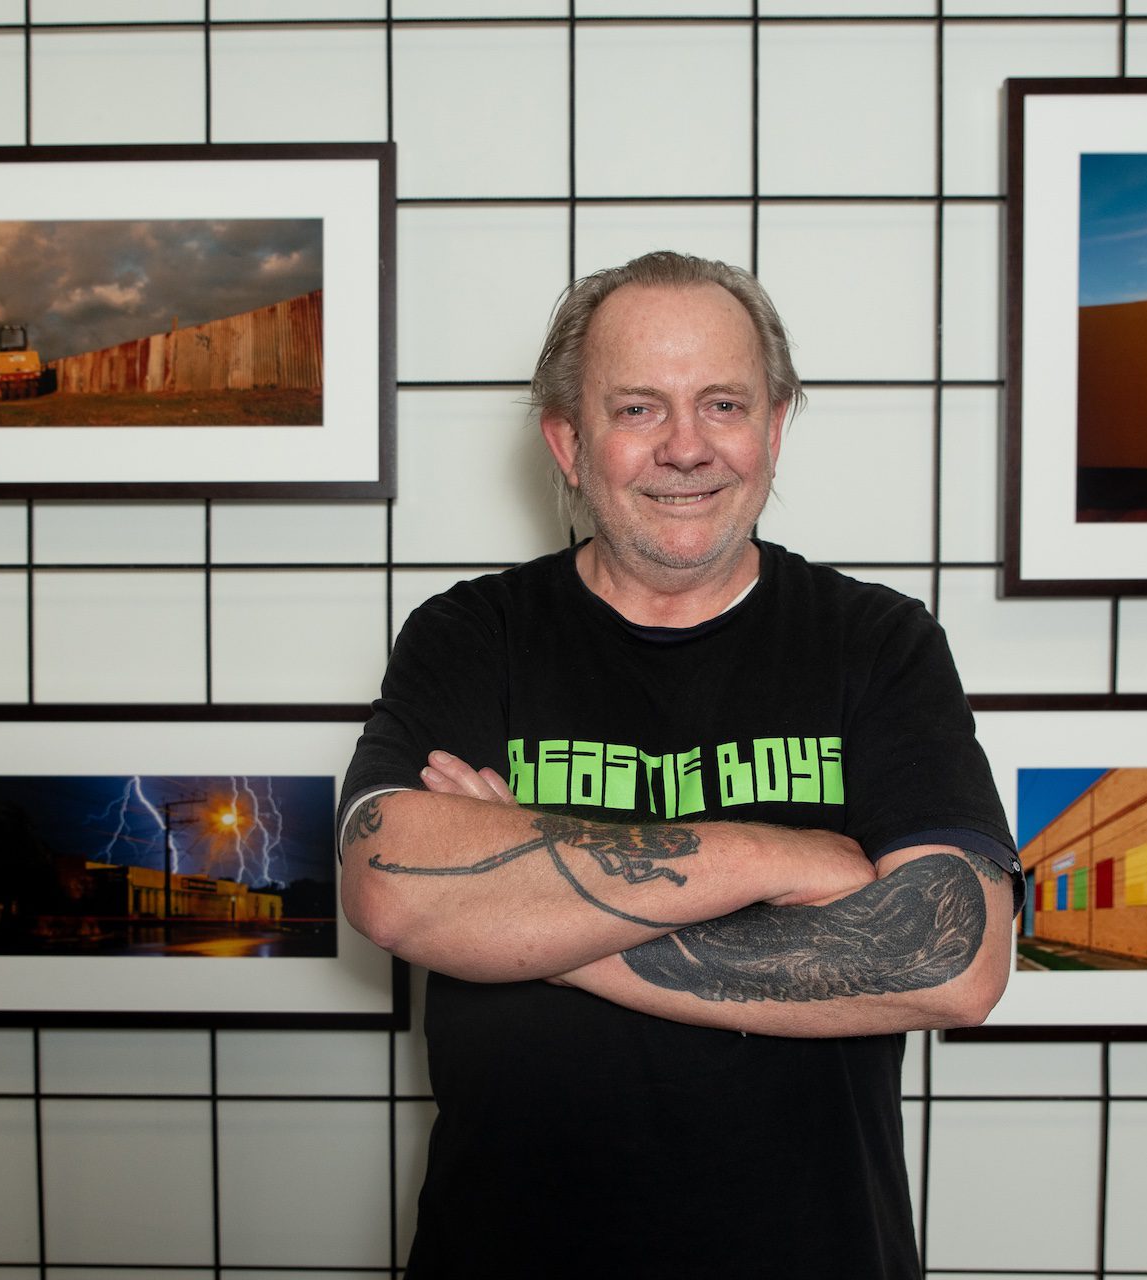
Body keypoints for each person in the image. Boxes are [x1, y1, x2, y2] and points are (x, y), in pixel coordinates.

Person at [339, 250, 1020, 1279]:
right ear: (569, 442)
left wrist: (517, 916)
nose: (688, 447)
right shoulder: (473, 635)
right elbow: (392, 886)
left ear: (774, 428)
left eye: (723, 404)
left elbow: (952, 958)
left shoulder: (878, 642)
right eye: (638, 409)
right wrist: (776, 856)